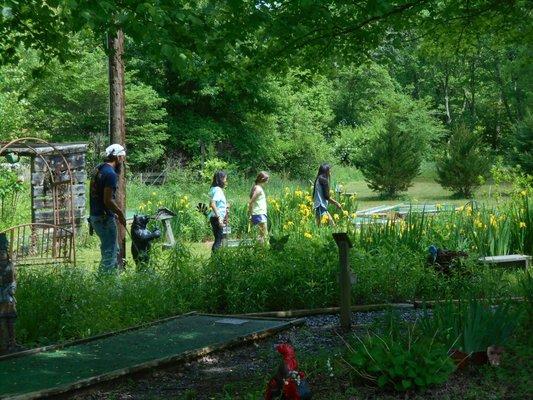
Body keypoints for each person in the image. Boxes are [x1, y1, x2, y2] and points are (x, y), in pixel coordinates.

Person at [89, 144, 127, 272]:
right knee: (110, 253)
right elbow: (108, 200)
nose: (123, 160)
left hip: (95, 216)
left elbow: (97, 195)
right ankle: (104, 283)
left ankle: (110, 283)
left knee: (109, 249)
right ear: (118, 157)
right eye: (122, 157)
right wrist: (120, 213)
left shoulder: (98, 169)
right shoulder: (110, 174)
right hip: (104, 218)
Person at [0, 233, 21, 354]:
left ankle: (12, 342)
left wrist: (12, 289)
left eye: (3, 252)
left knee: (11, 321)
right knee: (1, 321)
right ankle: (3, 344)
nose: (1, 254)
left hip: (8, 297)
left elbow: (13, 281)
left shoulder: (10, 266)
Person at [208, 170, 228, 251]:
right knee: (218, 241)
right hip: (217, 218)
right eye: (225, 178)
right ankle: (215, 260)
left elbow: (214, 203)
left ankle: (214, 260)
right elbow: (212, 204)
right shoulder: (218, 190)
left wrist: (225, 205)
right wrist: (219, 218)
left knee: (218, 239)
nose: (226, 181)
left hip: (213, 217)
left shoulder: (213, 189)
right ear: (221, 179)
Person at [248, 171, 269, 243]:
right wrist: (250, 214)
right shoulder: (258, 189)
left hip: (259, 213)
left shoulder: (256, 187)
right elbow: (251, 202)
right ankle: (263, 250)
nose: (267, 181)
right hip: (259, 213)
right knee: (264, 235)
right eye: (267, 179)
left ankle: (260, 250)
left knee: (262, 235)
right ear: (263, 179)